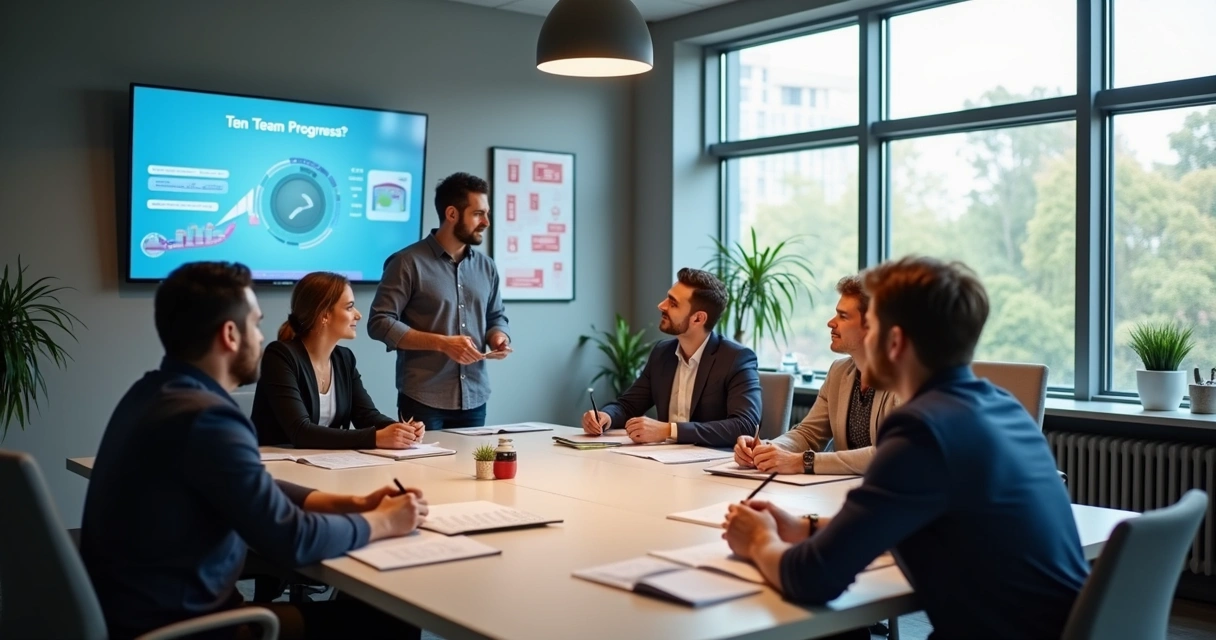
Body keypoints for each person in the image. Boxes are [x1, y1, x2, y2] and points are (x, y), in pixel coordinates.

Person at [722, 257, 1088, 639]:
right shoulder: (1002, 406)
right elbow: (918, 519)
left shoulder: (921, 430)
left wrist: (759, 539)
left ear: (894, 342)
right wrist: (806, 526)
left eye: (872, 324)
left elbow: (812, 579)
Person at [80, 262, 427, 640]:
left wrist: (350, 503)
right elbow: (294, 541)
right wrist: (385, 522)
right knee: (393, 617)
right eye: (256, 324)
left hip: (139, 614)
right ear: (230, 334)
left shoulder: (152, 394)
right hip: (191, 628)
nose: (262, 338)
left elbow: (258, 486)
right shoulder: (208, 420)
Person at [368, 172, 511, 431]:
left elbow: (495, 316)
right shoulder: (407, 262)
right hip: (423, 401)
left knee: (470, 472)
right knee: (424, 472)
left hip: (475, 399)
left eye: (487, 213)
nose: (486, 222)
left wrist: (499, 337)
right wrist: (442, 343)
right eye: (478, 214)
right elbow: (379, 322)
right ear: (452, 214)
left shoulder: (487, 267)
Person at [733, 275, 898, 475]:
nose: (831, 323)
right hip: (846, 492)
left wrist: (802, 462)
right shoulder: (839, 372)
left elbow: (889, 454)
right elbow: (808, 434)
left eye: (843, 316)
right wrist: (766, 449)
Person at [581, 268, 761, 447]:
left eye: (673, 304)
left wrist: (669, 430)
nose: (661, 305)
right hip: (662, 463)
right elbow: (628, 405)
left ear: (698, 319)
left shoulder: (736, 358)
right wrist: (606, 416)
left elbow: (745, 425)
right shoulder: (662, 353)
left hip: (710, 466)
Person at [252, 271, 423, 449]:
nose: (358, 315)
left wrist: (402, 430)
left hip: (324, 465)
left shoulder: (344, 359)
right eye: (349, 307)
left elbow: (367, 416)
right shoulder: (279, 356)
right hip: (276, 466)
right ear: (324, 314)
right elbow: (300, 432)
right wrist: (375, 438)